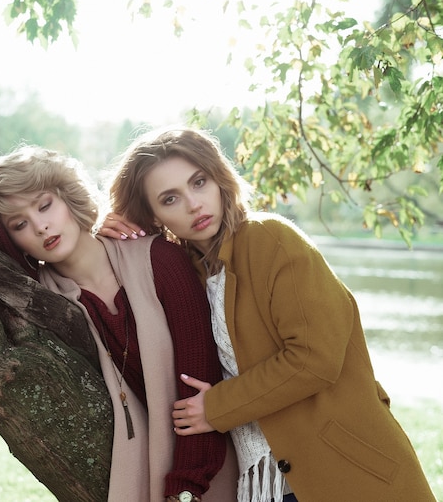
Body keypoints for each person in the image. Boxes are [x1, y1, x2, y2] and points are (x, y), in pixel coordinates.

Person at [0, 57, 238, 502]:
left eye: (44, 206)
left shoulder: (160, 258)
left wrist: (186, 488)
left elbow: (199, 378)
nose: (39, 227)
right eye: (19, 224)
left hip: (206, 469)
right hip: (140, 466)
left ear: (69, 199)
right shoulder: (40, 292)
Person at [100, 126, 437, 501]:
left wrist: (217, 407)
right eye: (170, 199)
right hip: (263, 485)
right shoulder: (184, 275)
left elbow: (315, 358)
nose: (194, 204)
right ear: (153, 216)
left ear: (220, 179)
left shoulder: (269, 239)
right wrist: (109, 240)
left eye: (199, 182)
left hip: (348, 474)